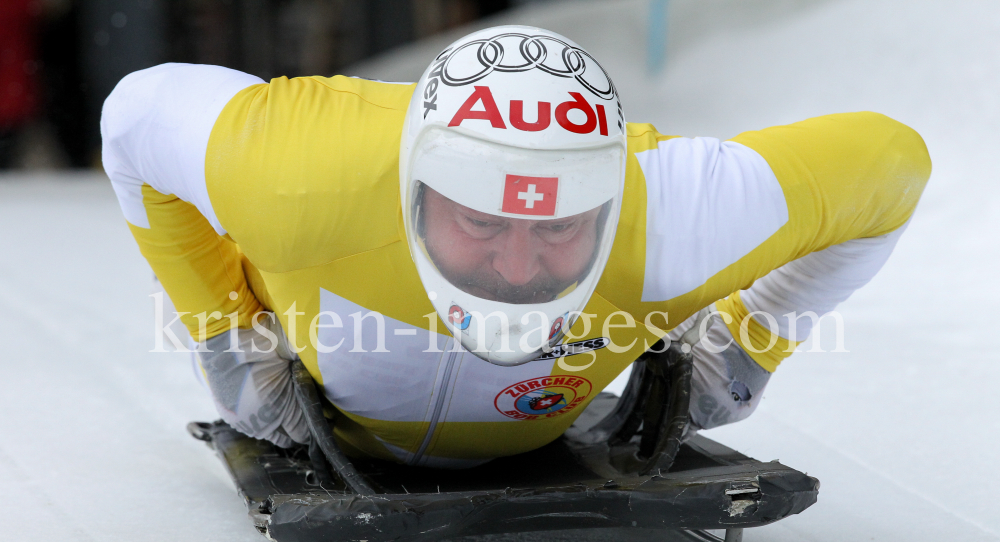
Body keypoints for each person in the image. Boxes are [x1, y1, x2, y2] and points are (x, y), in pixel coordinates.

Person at [101, 26, 930, 467]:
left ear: (611, 203)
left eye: (560, 225)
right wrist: (231, 338)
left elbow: (894, 165)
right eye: (484, 220)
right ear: (415, 192)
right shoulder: (297, 176)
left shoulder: (676, 213)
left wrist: (739, 349)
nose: (518, 267)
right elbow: (133, 115)